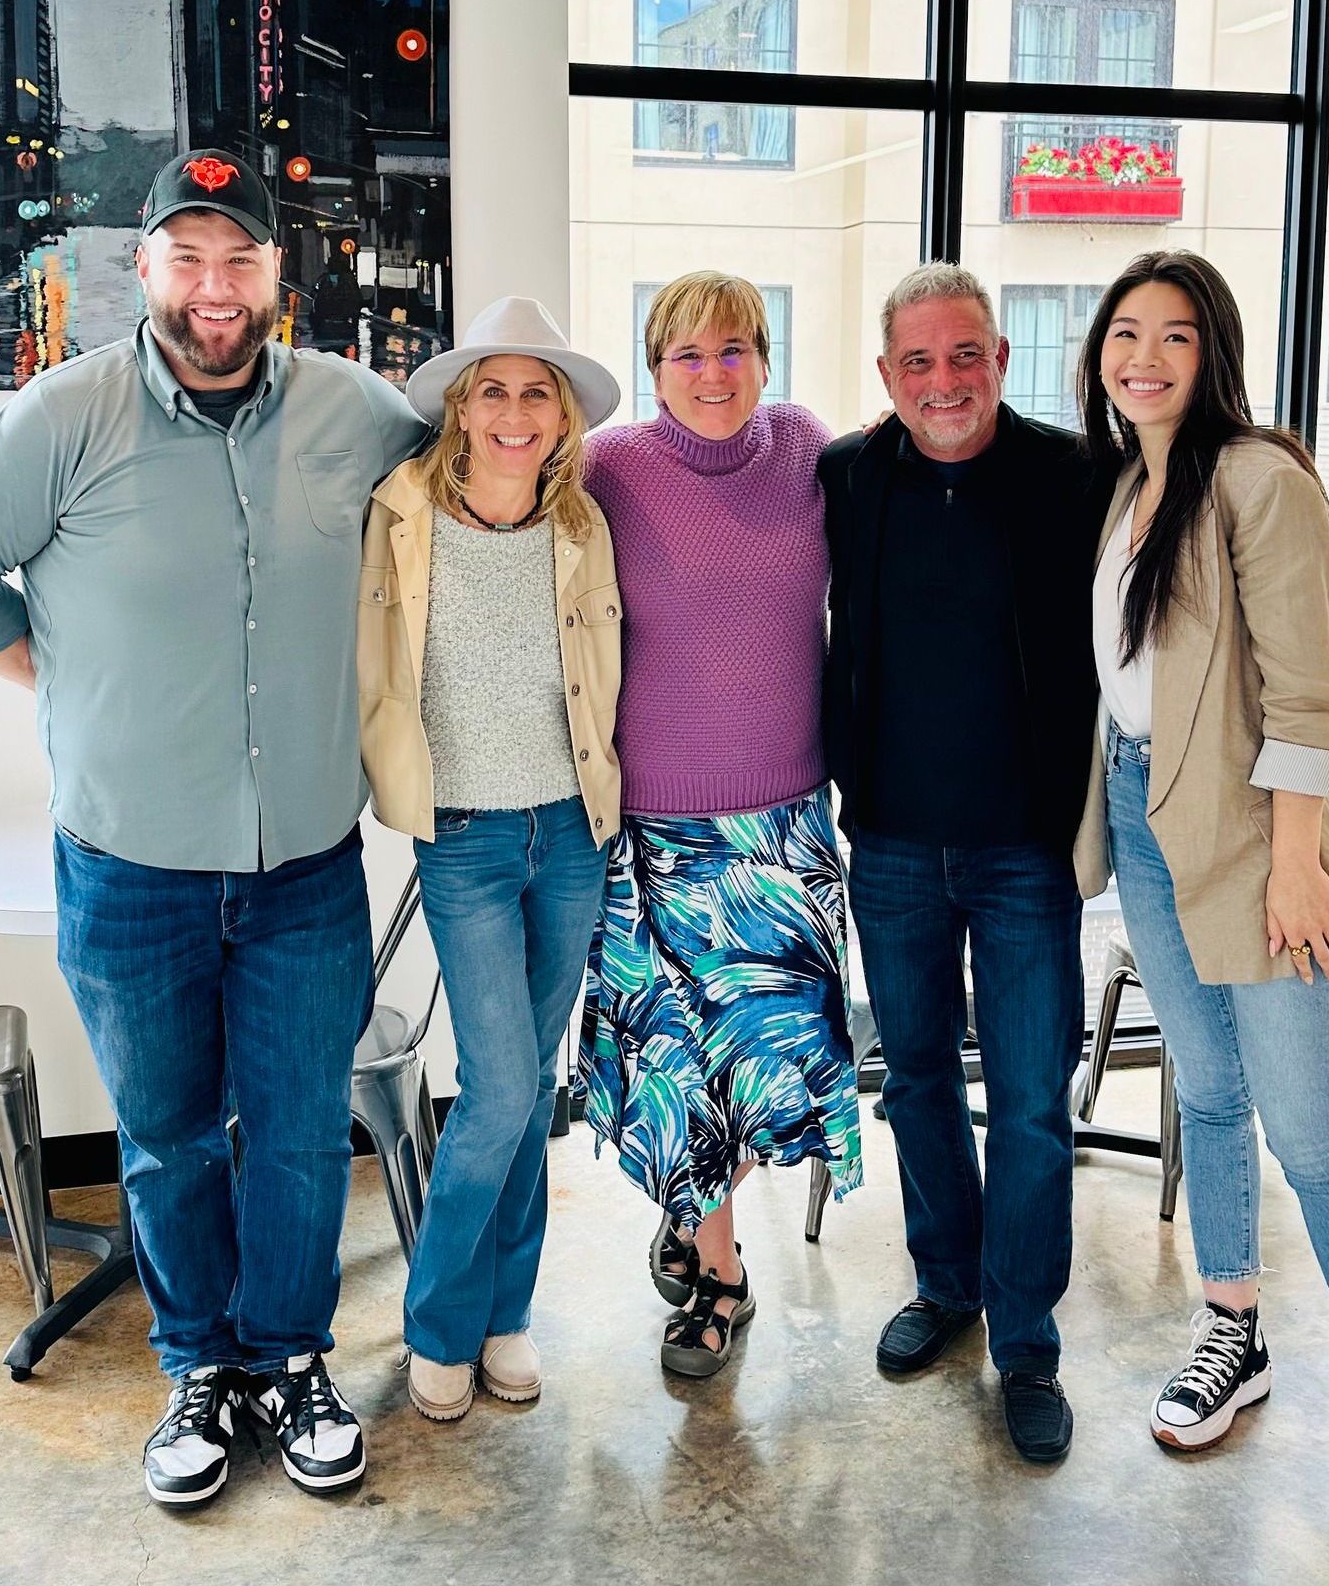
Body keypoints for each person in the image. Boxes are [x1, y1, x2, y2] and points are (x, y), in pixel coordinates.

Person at [0, 150, 426, 1508]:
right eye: (186, 259)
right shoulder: (60, 420)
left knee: (305, 1135)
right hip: (129, 872)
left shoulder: (356, 415)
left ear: (276, 277)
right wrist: (58, 674)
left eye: (238, 259)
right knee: (170, 1137)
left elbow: (474, 497)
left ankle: (293, 1361)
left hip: (306, 865)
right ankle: (196, 1367)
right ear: (143, 271)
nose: (213, 288)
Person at [1071, 250, 1329, 1529]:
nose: (1145, 358)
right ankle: (1235, 1328)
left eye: (1173, 335)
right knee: (1206, 1091)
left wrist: (1291, 864)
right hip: (1141, 808)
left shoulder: (1260, 480)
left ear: (1212, 350)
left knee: (1308, 1123)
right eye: (1125, 334)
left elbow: (1311, 694)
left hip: (1251, 830)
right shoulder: (1127, 484)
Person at [818, 262, 1108, 1463]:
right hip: (888, 838)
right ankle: (949, 1284)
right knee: (921, 1077)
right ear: (888, 377)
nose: (946, 380)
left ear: (1000, 358)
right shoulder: (843, 477)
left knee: (1034, 1104)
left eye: (967, 354)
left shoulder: (1075, 478)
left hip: (1026, 850)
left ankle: (1027, 1340)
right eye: (920, 362)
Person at [579, 270, 862, 1380]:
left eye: (735, 349)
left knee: (758, 1071)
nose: (713, 374)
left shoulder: (807, 450)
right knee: (675, 1072)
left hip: (785, 830)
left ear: (766, 360)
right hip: (655, 833)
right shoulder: (608, 470)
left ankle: (699, 1212)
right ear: (654, 368)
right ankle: (719, 1276)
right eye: (688, 354)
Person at [358, 296, 622, 1421]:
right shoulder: (399, 511)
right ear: (462, 409)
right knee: (503, 1084)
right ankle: (439, 1321)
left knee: (530, 1086)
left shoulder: (582, 526)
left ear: (562, 416)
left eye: (536, 391)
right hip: (462, 835)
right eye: (494, 390)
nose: (516, 411)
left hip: (569, 832)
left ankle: (507, 1315)